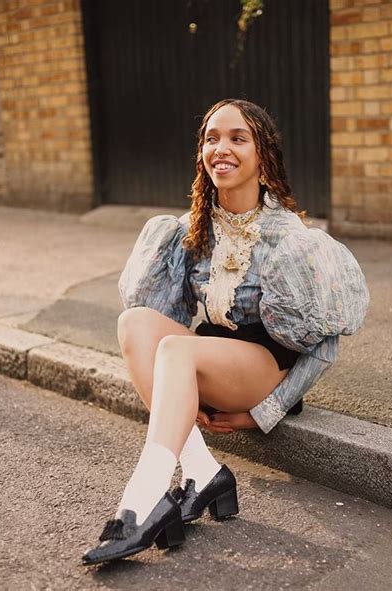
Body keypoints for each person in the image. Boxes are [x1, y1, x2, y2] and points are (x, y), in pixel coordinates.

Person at [82, 99, 369, 565]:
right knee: (134, 322)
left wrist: (265, 413)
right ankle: (203, 472)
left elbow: (326, 344)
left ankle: (141, 501)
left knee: (176, 349)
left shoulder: (290, 237)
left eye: (238, 138)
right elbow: (162, 320)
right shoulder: (188, 230)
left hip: (264, 368)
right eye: (211, 138)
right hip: (211, 361)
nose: (222, 148)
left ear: (262, 155)